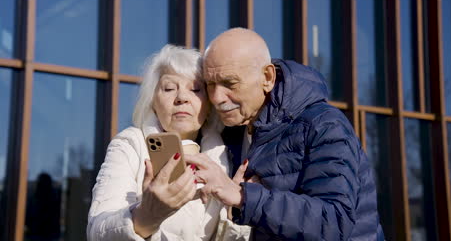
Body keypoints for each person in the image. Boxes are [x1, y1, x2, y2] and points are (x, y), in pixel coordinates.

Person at [185, 28, 385, 240]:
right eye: (210, 84)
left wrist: (243, 196)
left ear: (267, 77)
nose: (216, 97)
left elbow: (334, 221)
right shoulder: (230, 131)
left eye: (230, 83)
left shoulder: (324, 124)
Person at [87, 45, 250, 240]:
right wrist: (146, 217)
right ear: (153, 102)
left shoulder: (226, 156)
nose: (182, 97)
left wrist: (236, 212)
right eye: (170, 88)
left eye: (196, 89)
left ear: (209, 105)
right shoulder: (130, 145)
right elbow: (97, 231)